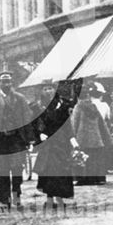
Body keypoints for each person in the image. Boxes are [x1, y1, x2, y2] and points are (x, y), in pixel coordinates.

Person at [0, 71, 33, 210]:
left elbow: (27, 118)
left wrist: (29, 139)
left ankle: (17, 196)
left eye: (9, 82)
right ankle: (4, 199)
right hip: (0, 141)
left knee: (17, 170)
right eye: (4, 82)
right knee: (3, 171)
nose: (7, 84)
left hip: (17, 140)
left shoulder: (20, 99)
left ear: (12, 83)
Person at [32, 80, 80, 214]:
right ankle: (49, 198)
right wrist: (39, 134)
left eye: (50, 88)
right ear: (42, 91)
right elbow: (34, 125)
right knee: (48, 172)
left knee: (60, 171)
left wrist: (74, 142)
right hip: (47, 145)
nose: (48, 91)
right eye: (45, 89)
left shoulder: (63, 107)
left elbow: (68, 127)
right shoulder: (38, 107)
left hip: (62, 145)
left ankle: (59, 198)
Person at [70, 82, 112, 186]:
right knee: (96, 159)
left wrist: (71, 136)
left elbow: (74, 124)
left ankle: (84, 179)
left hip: (83, 138)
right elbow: (102, 123)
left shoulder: (78, 107)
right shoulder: (93, 106)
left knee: (84, 158)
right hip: (96, 138)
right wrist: (108, 138)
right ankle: (98, 178)